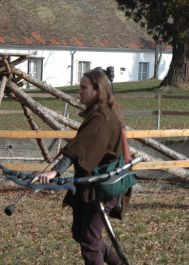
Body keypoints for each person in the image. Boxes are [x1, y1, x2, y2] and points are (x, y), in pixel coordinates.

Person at [33, 69, 129, 265]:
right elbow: (82, 145)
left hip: (105, 187)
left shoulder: (102, 119)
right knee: (81, 234)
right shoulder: (97, 115)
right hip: (93, 185)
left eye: (84, 87)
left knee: (90, 240)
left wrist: (56, 170)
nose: (80, 91)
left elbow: (81, 147)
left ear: (97, 90)